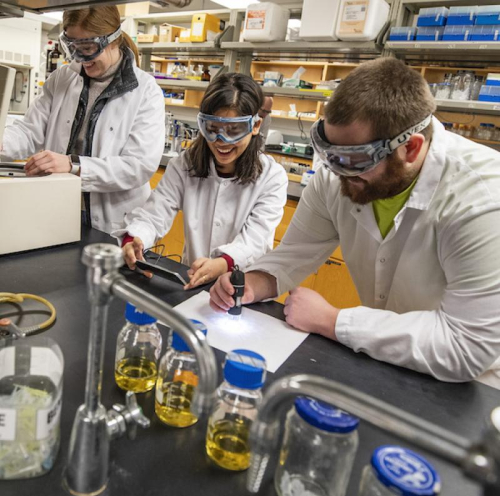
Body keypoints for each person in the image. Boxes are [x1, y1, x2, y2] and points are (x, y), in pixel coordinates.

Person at [209, 58, 500, 388]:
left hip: (472, 389)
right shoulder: (337, 178)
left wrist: (334, 322)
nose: (336, 171)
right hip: (383, 362)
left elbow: (465, 345)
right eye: (329, 152)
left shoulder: (482, 200)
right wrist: (252, 283)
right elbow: (292, 255)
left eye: (353, 159)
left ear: (411, 148)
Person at [0, 6, 165, 234]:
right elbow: (30, 131)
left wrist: (74, 165)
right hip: (57, 208)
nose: (79, 57)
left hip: (113, 223)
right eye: (73, 47)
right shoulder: (62, 79)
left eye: (87, 48)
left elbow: (138, 166)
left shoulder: (146, 91)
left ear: (114, 40)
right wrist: (2, 141)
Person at [116, 73, 288, 290]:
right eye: (212, 129)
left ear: (255, 126)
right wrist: (134, 239)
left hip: (244, 288)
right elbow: (154, 214)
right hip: (193, 281)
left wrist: (223, 263)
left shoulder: (271, 177)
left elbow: (255, 240)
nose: (220, 141)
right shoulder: (185, 165)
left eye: (234, 130)